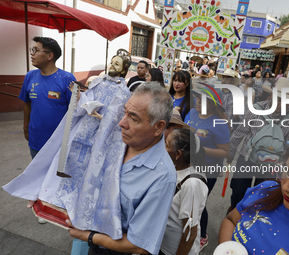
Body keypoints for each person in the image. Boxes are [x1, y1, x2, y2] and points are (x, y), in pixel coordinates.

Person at [3, 49, 133, 239]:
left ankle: (78, 207)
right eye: (111, 63)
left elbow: (117, 119)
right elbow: (84, 101)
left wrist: (99, 115)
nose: (112, 67)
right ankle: (56, 198)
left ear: (123, 71)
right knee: (67, 162)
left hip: (100, 139)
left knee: (88, 172)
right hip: (82, 131)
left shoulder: (123, 92)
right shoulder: (98, 81)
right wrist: (80, 97)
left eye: (117, 65)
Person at [67, 82, 177, 255]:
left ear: (158, 127)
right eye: (125, 112)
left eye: (134, 118)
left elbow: (139, 244)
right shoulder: (119, 139)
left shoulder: (162, 176)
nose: (121, 123)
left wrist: (88, 236)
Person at [227, 78, 289, 214]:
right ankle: (233, 216)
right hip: (246, 158)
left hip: (272, 165)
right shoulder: (256, 109)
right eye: (279, 98)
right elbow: (239, 133)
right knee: (238, 191)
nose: (281, 103)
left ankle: (251, 220)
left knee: (262, 196)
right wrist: (230, 153)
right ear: (271, 95)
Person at [185, 84, 230, 251]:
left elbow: (225, 151)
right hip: (188, 164)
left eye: (202, 99)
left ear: (212, 104)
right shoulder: (192, 113)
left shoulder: (219, 123)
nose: (197, 100)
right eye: (196, 97)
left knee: (199, 203)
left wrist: (201, 149)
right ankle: (186, 227)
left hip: (207, 170)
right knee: (187, 199)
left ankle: (203, 236)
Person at [20, 36, 76, 160]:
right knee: (37, 176)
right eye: (32, 49)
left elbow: (74, 111)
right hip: (35, 139)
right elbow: (27, 103)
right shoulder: (30, 76)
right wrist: (26, 127)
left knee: (54, 177)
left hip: (59, 142)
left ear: (50, 56)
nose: (31, 53)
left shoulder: (67, 78)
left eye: (35, 50)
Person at [160, 129, 209, 255]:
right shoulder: (176, 168)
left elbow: (190, 234)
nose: (162, 148)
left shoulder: (192, 184)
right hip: (162, 243)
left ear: (178, 153)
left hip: (173, 250)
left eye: (166, 145)